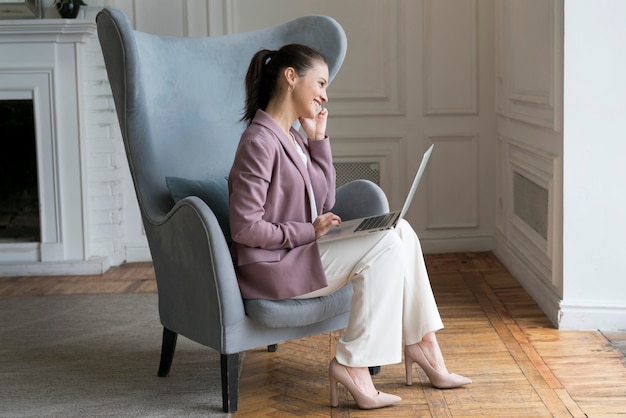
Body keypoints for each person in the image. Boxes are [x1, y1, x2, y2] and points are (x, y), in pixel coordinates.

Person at [228, 43, 471, 410]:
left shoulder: (293, 138)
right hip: (273, 269)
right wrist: (309, 231)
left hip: (300, 253)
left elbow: (324, 203)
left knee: (401, 231)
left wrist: (317, 141)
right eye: (321, 83)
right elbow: (245, 228)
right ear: (291, 77)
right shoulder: (258, 142)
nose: (325, 95)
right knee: (386, 245)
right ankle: (352, 364)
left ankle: (423, 344)